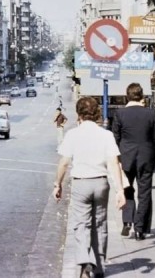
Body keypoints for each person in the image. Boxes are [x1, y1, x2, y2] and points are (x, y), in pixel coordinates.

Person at [54, 96, 125, 278]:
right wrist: (120, 190)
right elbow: (113, 162)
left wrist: (58, 184)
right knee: (100, 223)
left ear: (79, 114)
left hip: (80, 183)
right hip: (101, 182)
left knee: (81, 225)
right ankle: (99, 266)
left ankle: (85, 260)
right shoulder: (106, 135)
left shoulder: (73, 134)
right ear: (97, 113)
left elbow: (64, 162)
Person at [112, 82, 155, 240]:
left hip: (126, 156)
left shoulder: (120, 114)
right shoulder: (150, 113)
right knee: (145, 193)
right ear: (141, 96)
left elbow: (115, 138)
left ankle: (127, 221)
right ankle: (140, 228)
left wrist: (117, 158)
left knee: (127, 188)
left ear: (127, 96)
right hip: (146, 157)